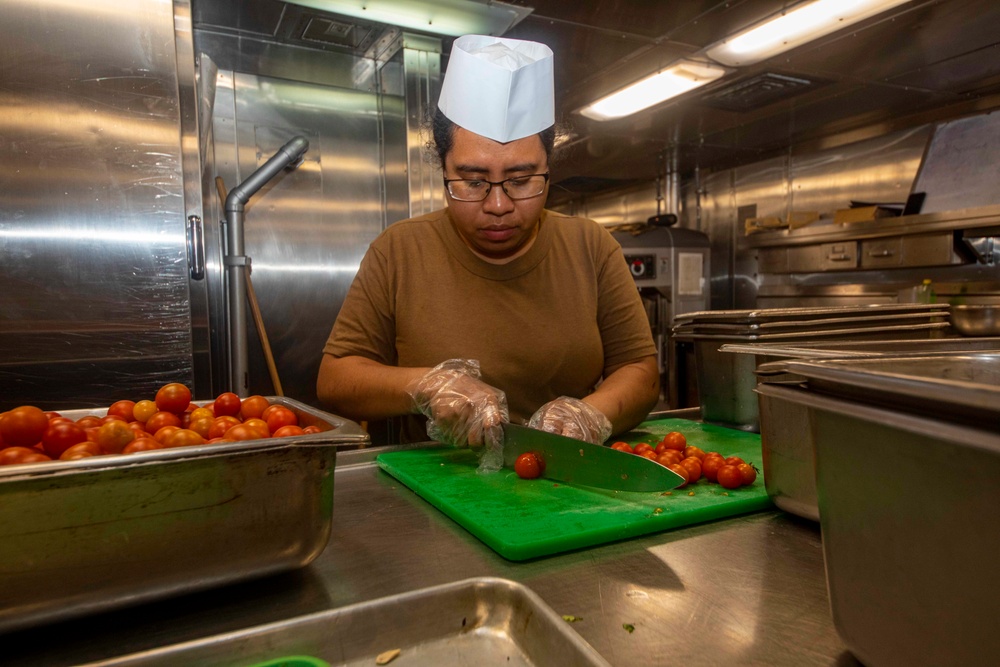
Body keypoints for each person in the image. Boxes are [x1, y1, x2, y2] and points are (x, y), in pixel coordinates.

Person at [317, 34, 658, 461]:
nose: (498, 206)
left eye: (521, 180)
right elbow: (335, 379)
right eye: (473, 181)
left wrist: (589, 415)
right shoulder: (398, 251)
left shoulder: (591, 246)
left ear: (548, 168)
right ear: (442, 168)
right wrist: (425, 386)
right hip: (436, 487)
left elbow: (640, 372)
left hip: (565, 476)